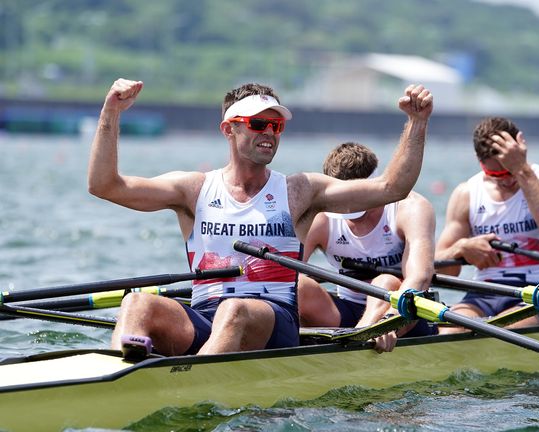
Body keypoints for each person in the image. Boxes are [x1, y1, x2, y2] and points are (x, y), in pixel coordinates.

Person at [87, 78, 433, 356]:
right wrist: (111, 112)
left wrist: (417, 122)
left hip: (273, 321)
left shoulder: (300, 191)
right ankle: (113, 382)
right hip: (206, 316)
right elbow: (106, 186)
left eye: (276, 125)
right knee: (136, 303)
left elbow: (392, 187)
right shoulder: (192, 189)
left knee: (234, 310)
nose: (269, 132)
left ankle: (191, 384)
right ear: (229, 129)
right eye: (258, 124)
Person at [435, 117, 539, 332]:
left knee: (503, 330)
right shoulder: (467, 193)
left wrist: (522, 170)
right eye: (496, 174)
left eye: (509, 171)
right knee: (448, 332)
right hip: (483, 293)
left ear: (521, 147)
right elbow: (441, 269)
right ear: (479, 161)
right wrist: (461, 248)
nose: (507, 180)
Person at [298, 142, 436, 353]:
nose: (352, 214)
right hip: (342, 313)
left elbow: (420, 278)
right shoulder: (321, 218)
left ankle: (365, 334)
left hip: (401, 313)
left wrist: (389, 321)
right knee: (298, 285)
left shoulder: (411, 208)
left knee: (385, 282)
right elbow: (285, 277)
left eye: (359, 206)